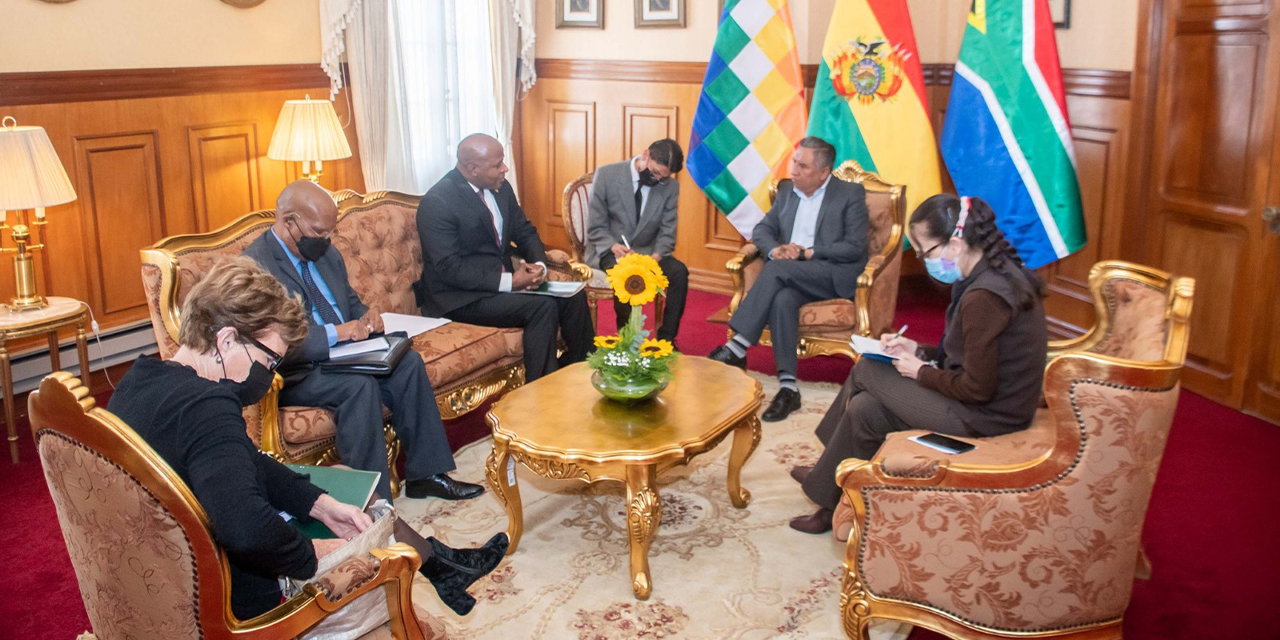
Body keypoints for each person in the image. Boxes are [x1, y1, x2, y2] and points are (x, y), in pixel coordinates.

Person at [107, 258, 508, 618]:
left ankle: (439, 564)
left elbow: (241, 458)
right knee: (355, 496)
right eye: (266, 361)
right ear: (226, 340)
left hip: (161, 567)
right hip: (228, 594)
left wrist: (318, 505)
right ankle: (436, 567)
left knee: (338, 486)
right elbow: (246, 531)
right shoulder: (208, 407)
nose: (267, 376)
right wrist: (320, 554)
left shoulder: (141, 379)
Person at [788, 194, 1048, 534]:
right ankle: (829, 500)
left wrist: (919, 372)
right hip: (987, 403)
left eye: (925, 251)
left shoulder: (985, 297)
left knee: (868, 367)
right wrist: (919, 350)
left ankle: (825, 466)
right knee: (866, 409)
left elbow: (978, 388)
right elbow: (966, 354)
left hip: (988, 416)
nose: (924, 260)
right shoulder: (984, 275)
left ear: (955, 243)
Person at [244, 181, 483, 502]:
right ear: (289, 221)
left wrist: (367, 316)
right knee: (358, 387)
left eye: (330, 231)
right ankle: (372, 502)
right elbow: (274, 340)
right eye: (319, 231)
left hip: (347, 354)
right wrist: (337, 334)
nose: (327, 240)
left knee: (408, 363)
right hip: (298, 370)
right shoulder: (257, 266)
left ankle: (427, 475)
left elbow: (349, 303)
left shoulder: (325, 252)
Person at [708, 136, 870, 422]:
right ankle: (788, 388)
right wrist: (775, 249)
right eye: (794, 162)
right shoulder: (787, 191)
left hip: (830, 273)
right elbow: (762, 230)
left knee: (775, 269)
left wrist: (808, 253)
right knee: (782, 298)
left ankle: (737, 346)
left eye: (803, 166)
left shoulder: (850, 194)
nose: (793, 170)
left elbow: (855, 247)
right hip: (791, 275)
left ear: (823, 172)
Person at [417, 133, 594, 381]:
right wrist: (511, 282)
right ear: (472, 168)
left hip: (500, 287)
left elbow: (524, 231)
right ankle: (542, 390)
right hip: (459, 298)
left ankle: (581, 372)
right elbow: (449, 268)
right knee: (542, 307)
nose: (505, 169)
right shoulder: (438, 202)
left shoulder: (500, 188)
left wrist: (539, 265)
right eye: (497, 164)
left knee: (573, 294)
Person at [585, 138, 688, 343]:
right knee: (626, 276)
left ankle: (666, 340)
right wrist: (613, 246)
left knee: (680, 273)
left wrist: (654, 258)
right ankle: (628, 340)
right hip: (610, 248)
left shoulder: (670, 187)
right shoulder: (606, 175)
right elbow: (595, 225)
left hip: (648, 251)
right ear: (645, 155)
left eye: (663, 177)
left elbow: (668, 231)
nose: (658, 179)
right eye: (656, 172)